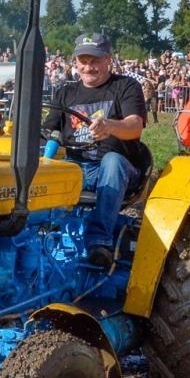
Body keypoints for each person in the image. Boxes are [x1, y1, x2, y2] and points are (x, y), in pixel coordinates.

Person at [42, 33, 149, 270]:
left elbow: (135, 125)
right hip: (76, 167)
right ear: (75, 62)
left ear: (108, 60)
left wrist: (110, 126)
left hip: (118, 169)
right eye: (83, 61)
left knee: (112, 161)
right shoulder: (65, 94)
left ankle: (99, 241)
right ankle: (41, 235)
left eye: (95, 61)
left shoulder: (125, 86)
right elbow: (48, 130)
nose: (88, 67)